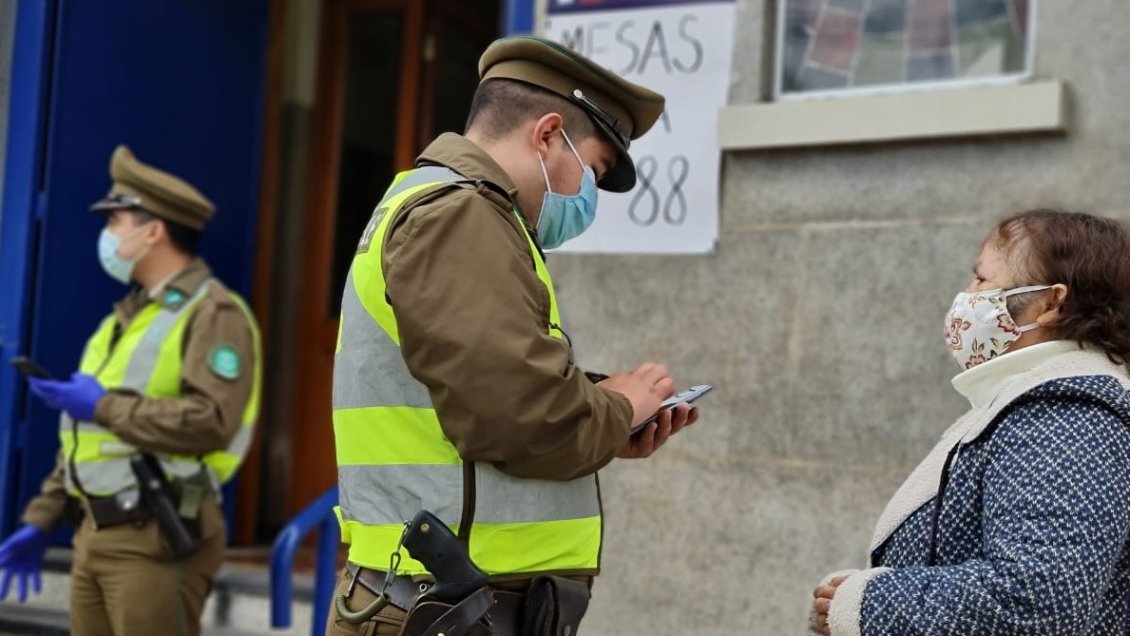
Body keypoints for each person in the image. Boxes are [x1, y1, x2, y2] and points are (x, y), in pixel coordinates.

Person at [328, 35, 698, 636]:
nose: (588, 196)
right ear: (548, 135)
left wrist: (605, 424)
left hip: (442, 602)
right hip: (447, 608)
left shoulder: (453, 209)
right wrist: (619, 404)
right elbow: (517, 415)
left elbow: (482, 388)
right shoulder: (461, 214)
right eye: (595, 170)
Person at [811, 209, 1130, 635]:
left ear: (1051, 303)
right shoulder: (1035, 402)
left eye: (982, 280)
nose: (967, 295)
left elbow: (1037, 601)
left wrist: (866, 603)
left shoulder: (1067, 416)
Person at [0, 146, 261, 636]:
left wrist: (102, 404)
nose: (108, 235)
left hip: (156, 535)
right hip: (92, 534)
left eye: (115, 222)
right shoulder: (118, 322)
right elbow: (91, 439)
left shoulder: (213, 313)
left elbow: (211, 422)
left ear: (153, 231)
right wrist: (42, 517)